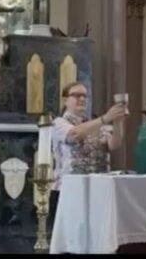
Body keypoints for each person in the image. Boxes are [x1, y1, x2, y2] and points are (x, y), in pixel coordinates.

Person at [48, 81, 128, 229]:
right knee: (72, 236)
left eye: (84, 96)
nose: (82, 99)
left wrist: (118, 122)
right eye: (76, 95)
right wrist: (105, 118)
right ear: (65, 100)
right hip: (69, 191)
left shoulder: (94, 123)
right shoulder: (58, 123)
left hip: (97, 189)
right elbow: (74, 134)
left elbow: (113, 144)